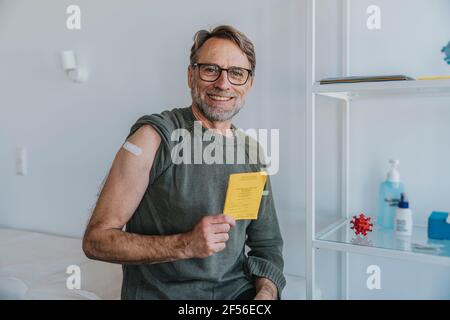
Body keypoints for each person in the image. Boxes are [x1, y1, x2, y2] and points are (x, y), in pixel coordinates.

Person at [82, 25, 285, 300]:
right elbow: (97, 240)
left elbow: (267, 246)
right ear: (191, 75)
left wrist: (266, 293)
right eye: (210, 69)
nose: (223, 84)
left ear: (248, 83)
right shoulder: (152, 138)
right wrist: (186, 244)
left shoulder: (252, 154)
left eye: (236, 73)